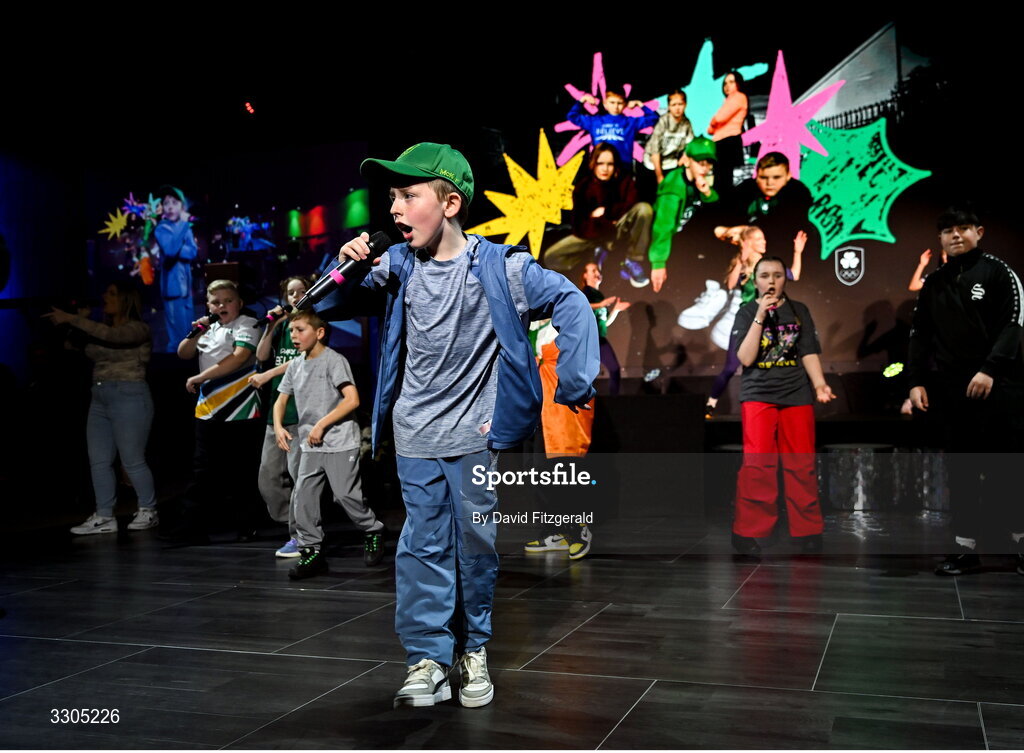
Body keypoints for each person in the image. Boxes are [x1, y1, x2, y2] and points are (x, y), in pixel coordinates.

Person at [320, 142, 598, 709]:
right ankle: (427, 657)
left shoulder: (501, 267)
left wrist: (572, 380)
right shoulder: (396, 265)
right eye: (392, 197)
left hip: (474, 436)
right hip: (415, 435)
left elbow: (570, 300)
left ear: (449, 203)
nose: (394, 208)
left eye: (408, 195)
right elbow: (325, 307)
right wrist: (344, 266)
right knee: (421, 546)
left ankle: (473, 650)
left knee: (474, 546)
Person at [907, 207, 1024, 576]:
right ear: (940, 238)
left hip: (999, 387)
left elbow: (1013, 324)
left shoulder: (999, 272)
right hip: (953, 391)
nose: (955, 235)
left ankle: (1020, 544)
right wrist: (914, 380)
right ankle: (964, 549)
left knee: (1006, 471)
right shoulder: (934, 282)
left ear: (979, 232)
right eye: (947, 231)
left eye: (962, 228)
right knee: (962, 472)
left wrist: (990, 369)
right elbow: (920, 334)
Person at [730, 256, 835, 556]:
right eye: (765, 276)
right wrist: (760, 315)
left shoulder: (799, 310)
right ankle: (749, 532)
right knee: (758, 466)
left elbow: (808, 351)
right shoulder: (746, 311)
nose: (771, 281)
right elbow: (745, 358)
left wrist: (819, 385)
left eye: (777, 275)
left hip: (796, 394)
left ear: (785, 279)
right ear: (755, 281)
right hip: (758, 395)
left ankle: (808, 530)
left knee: (801, 464)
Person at [274, 310, 384, 579]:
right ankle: (311, 551)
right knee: (303, 497)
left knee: (345, 495)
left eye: (300, 330)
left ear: (319, 332)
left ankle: (372, 529)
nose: (294, 336)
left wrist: (321, 424)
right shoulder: (296, 365)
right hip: (310, 444)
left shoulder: (334, 361)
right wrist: (278, 426)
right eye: (291, 331)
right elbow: (281, 399)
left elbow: (352, 399)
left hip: (339, 441)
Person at [44, 281, 158, 534]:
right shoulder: (99, 329)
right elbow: (71, 345)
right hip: (100, 396)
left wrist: (74, 319)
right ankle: (105, 515)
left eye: (112, 293)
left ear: (126, 299)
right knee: (99, 460)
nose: (105, 297)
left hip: (129, 395)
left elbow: (114, 337)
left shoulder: (138, 328)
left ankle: (148, 510)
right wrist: (77, 321)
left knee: (132, 460)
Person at [170, 279, 263, 542]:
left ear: (239, 303)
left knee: (241, 471)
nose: (222, 306)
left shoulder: (247, 324)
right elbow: (183, 353)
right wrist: (196, 332)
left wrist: (200, 378)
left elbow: (239, 357)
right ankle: (193, 529)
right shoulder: (208, 329)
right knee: (203, 472)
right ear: (208, 305)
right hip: (208, 410)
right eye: (216, 302)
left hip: (240, 409)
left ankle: (246, 526)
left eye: (228, 300)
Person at [703, 226, 805, 417]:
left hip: (769, 321)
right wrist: (741, 261)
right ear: (748, 242)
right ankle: (710, 404)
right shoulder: (742, 265)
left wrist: (797, 251)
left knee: (772, 363)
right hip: (747, 321)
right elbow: (730, 284)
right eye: (759, 239)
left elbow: (794, 275)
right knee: (731, 367)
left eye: (763, 238)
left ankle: (775, 404)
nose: (764, 242)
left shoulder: (769, 266)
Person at [249, 275, 312, 557]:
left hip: (301, 413)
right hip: (277, 413)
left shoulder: (312, 324)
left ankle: (301, 535)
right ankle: (298, 523)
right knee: (268, 478)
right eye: (291, 293)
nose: (296, 297)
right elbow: (263, 355)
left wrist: (266, 376)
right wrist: (271, 325)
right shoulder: (282, 324)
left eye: (301, 291)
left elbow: (300, 361)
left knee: (300, 477)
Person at [542, 143, 653, 287]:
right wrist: (605, 221)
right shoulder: (583, 187)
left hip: (616, 231)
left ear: (615, 166)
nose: (605, 169)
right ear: (593, 164)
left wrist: (602, 214)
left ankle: (632, 260)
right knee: (551, 257)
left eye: (610, 164)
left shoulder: (625, 182)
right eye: (600, 163)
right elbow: (579, 227)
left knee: (644, 209)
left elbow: (631, 207)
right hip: (591, 235)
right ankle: (592, 259)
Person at [649, 136, 719, 293]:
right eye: (700, 163)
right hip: (667, 241)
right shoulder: (674, 185)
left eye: (709, 163)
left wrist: (707, 193)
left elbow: (716, 212)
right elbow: (663, 226)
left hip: (686, 237)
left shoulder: (698, 181)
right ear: (687, 161)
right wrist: (658, 263)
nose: (705, 168)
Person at [722, 152, 813, 252]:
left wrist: (745, 230)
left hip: (787, 249)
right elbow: (726, 217)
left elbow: (783, 228)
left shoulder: (799, 193)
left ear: (788, 176)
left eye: (777, 177)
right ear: (757, 176)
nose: (769, 183)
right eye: (763, 177)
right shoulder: (744, 190)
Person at [153, 186, 198, 351]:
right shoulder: (161, 228)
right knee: (177, 339)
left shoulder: (184, 228)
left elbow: (192, 252)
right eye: (166, 203)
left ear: (182, 206)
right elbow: (170, 250)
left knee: (189, 333)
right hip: (172, 289)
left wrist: (178, 248)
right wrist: (178, 244)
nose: (170, 206)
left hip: (186, 289)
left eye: (174, 202)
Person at [567, 87, 659, 167]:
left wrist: (640, 105)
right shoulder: (594, 121)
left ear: (625, 104)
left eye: (619, 103)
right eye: (612, 102)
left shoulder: (631, 122)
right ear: (605, 104)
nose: (616, 106)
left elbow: (654, 118)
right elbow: (572, 116)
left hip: (623, 165)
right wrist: (581, 100)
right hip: (600, 165)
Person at [580, 261, 629, 396]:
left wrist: (616, 310)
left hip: (599, 340)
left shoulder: (599, 295)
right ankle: (583, 402)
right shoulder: (586, 292)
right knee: (587, 375)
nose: (597, 273)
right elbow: (582, 307)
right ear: (585, 275)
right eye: (593, 270)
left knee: (614, 369)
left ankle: (614, 401)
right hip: (588, 340)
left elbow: (604, 322)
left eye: (598, 270)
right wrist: (601, 304)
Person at [707, 71, 748, 196]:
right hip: (722, 142)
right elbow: (710, 130)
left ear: (738, 83)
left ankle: (723, 204)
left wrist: (714, 121)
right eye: (725, 83)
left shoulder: (739, 97)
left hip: (729, 141)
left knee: (724, 180)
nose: (727, 86)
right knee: (720, 178)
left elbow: (719, 118)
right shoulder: (727, 101)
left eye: (731, 82)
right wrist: (714, 122)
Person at [643, 89, 694, 185]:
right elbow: (654, 151)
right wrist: (659, 176)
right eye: (674, 105)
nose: (677, 108)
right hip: (653, 165)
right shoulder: (663, 122)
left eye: (680, 104)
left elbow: (690, 145)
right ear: (669, 106)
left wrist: (685, 156)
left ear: (685, 104)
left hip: (671, 164)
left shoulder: (687, 123)